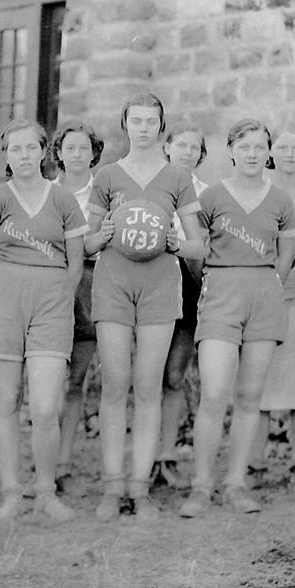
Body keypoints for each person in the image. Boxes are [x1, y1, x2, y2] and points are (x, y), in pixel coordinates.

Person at [86, 94, 207, 521]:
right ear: (125, 124)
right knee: (116, 384)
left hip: (159, 284)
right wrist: (101, 232)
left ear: (161, 126)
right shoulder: (107, 176)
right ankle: (111, 486)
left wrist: (176, 242)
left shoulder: (177, 176)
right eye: (135, 120)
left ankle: (140, 490)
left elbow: (198, 244)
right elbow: (86, 243)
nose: (143, 127)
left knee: (148, 384)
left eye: (151, 120)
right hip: (114, 283)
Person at [178, 119, 295, 518]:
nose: (252, 154)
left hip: (263, 295)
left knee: (249, 396)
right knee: (214, 394)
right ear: (230, 150)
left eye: (259, 147)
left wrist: (265, 284)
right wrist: (221, 280)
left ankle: (235, 483)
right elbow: (195, 251)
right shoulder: (211, 196)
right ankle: (200, 487)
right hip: (221, 295)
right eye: (244, 146)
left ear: (268, 152)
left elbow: (284, 256)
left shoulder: (280, 199)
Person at [0, 119, 88, 522]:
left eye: (29, 148)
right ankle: (11, 494)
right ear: (6, 156)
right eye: (14, 149)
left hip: (52, 303)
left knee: (44, 405)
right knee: (5, 401)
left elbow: (75, 265)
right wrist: (0, 298)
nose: (22, 155)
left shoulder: (63, 201)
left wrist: (55, 296)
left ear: (44, 151)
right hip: (5, 300)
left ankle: (46, 491)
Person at [250, 124, 295, 490]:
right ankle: (253, 462)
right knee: (259, 374)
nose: (289, 154)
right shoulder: (258, 191)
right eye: (281, 147)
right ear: (269, 152)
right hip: (265, 290)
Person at [153, 126, 210, 489]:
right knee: (144, 376)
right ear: (167, 148)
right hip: (150, 282)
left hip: (189, 285)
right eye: (181, 145)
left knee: (174, 375)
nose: (187, 152)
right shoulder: (151, 183)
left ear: (202, 155)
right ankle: (141, 458)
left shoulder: (207, 194)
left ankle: (166, 456)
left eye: (195, 147)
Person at [50, 119, 103, 496]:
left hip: (89, 285)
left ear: (93, 154)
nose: (77, 155)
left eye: (84, 148)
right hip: (49, 285)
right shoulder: (45, 192)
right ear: (58, 154)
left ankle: (63, 465)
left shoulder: (104, 194)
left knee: (73, 382)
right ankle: (41, 463)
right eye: (70, 148)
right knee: (44, 381)